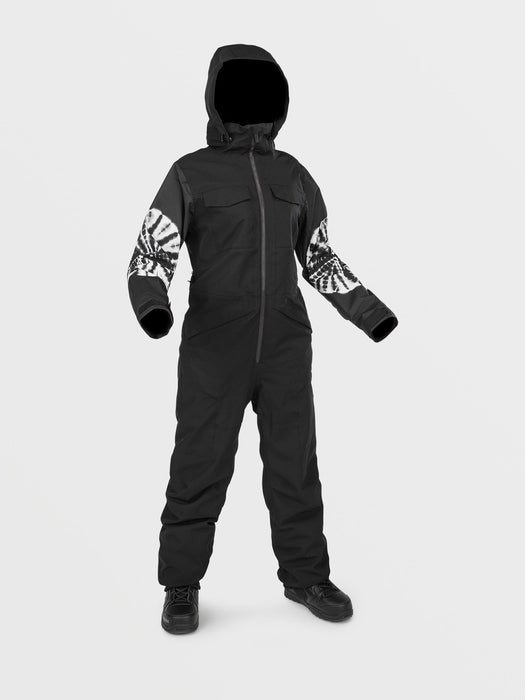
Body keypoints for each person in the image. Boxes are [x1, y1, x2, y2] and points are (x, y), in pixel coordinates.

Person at [127, 43, 398, 635]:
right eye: (239, 91)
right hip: (214, 347)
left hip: (284, 346)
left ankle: (306, 576)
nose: (251, 102)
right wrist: (153, 307)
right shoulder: (190, 173)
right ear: (216, 99)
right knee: (198, 464)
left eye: (263, 91)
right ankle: (181, 584)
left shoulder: (292, 175)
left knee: (294, 465)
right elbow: (150, 255)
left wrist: (370, 313)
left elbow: (319, 257)